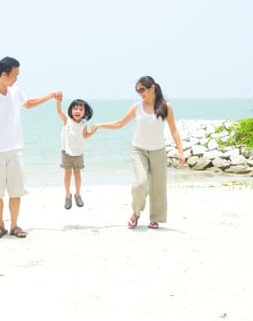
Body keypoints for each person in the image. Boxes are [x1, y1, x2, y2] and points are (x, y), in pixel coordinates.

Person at [0, 56, 60, 239]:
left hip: (15, 150)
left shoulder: (15, 91)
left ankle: (14, 226)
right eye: (15, 75)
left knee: (16, 191)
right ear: (4, 74)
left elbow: (29, 104)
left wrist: (50, 96)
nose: (17, 78)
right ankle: (0, 225)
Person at [92, 76, 185, 229]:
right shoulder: (137, 107)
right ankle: (135, 213)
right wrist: (101, 125)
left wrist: (180, 151)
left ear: (152, 87)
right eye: (138, 91)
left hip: (158, 151)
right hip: (139, 150)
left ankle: (156, 218)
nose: (140, 93)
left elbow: (174, 130)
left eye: (142, 89)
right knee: (140, 184)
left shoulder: (166, 107)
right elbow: (119, 123)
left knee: (158, 186)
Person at [55, 94, 96, 209]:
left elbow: (85, 135)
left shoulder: (83, 124)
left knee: (77, 174)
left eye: (81, 109)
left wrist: (92, 132)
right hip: (66, 152)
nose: (77, 111)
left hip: (78, 152)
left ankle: (78, 194)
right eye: (75, 108)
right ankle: (67, 196)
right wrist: (58, 101)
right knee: (67, 174)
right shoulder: (67, 120)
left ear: (84, 112)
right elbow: (59, 111)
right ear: (71, 110)